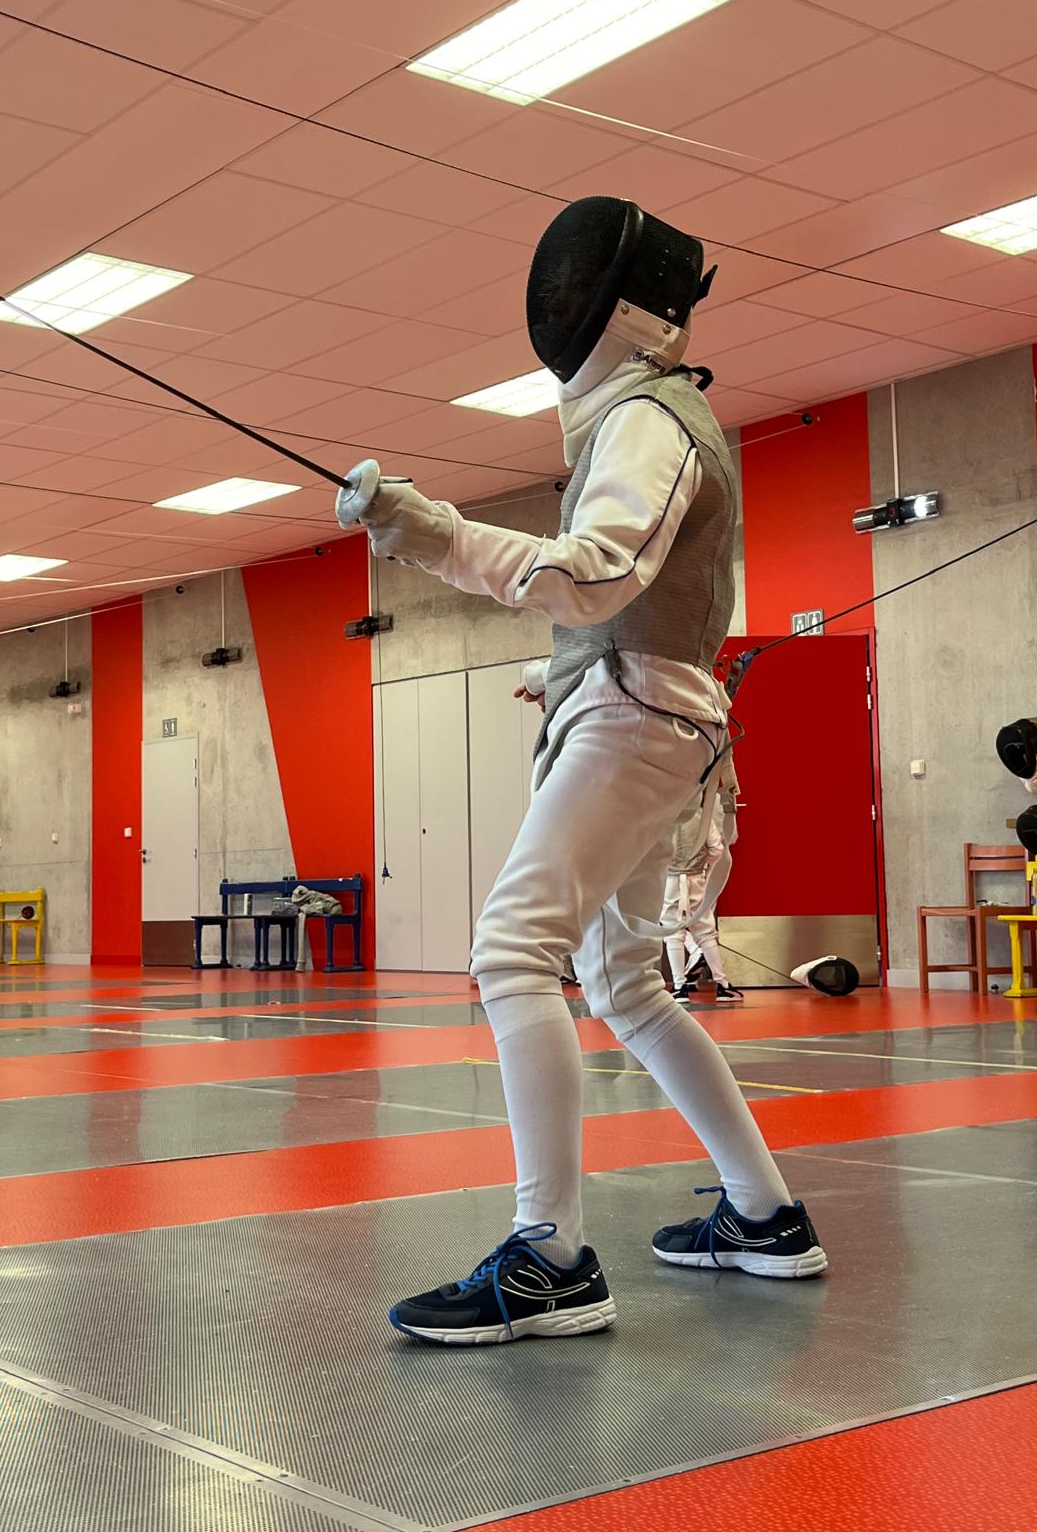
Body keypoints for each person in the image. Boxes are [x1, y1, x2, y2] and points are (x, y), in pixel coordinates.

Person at [336, 196, 826, 1347]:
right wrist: (558, 676)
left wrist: (430, 531)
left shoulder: (650, 416)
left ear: (626, 310)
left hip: (637, 717)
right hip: (641, 708)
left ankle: (549, 1257)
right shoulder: (647, 416)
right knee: (629, 988)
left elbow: (598, 572)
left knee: (513, 950)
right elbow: (623, 604)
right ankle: (764, 1215)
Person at [663, 808, 742, 1003]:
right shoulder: (702, 816)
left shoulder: (662, 814)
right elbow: (716, 849)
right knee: (705, 930)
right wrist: (701, 865)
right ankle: (722, 984)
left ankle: (679, 987)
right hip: (697, 877)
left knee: (673, 932)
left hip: (669, 880)